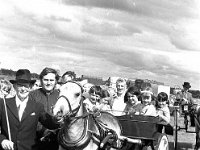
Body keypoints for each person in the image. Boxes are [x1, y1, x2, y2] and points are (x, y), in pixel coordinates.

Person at [0, 69, 59, 150]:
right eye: (20, 85)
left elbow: (51, 124)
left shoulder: (37, 106)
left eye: (26, 85)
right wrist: (2, 140)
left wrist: (60, 118)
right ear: (14, 86)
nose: (23, 89)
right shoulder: (3, 104)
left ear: (30, 87)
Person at [29, 67, 60, 150]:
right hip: (37, 140)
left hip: (58, 141)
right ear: (41, 80)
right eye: (46, 80)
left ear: (56, 81)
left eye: (51, 80)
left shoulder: (61, 96)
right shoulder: (32, 95)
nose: (48, 83)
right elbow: (30, 118)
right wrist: (44, 131)